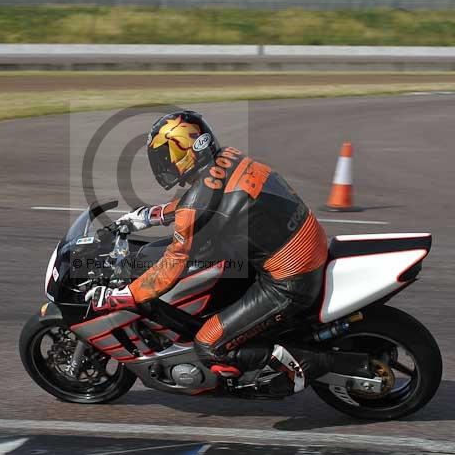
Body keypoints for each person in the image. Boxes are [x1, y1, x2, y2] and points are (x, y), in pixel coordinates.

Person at [85, 110, 331, 391]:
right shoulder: (229, 157)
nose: (163, 164)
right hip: (304, 243)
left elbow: (172, 265)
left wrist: (123, 296)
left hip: (291, 281)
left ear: (185, 150)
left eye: (165, 156)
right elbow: (203, 203)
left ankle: (308, 364)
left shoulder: (198, 202)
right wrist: (149, 216)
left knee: (209, 345)